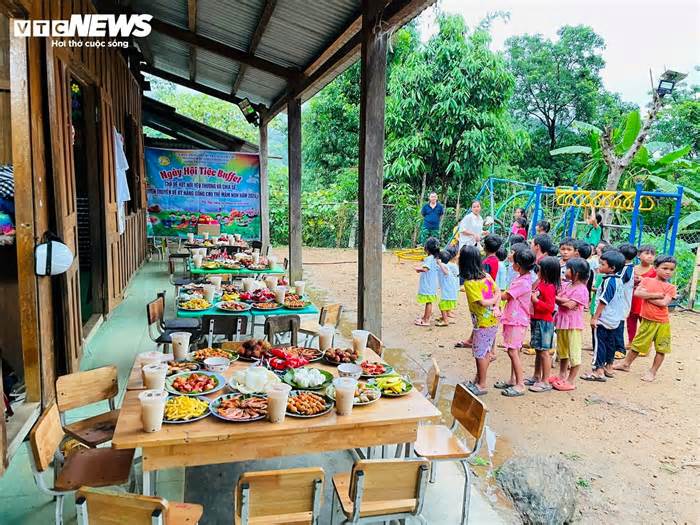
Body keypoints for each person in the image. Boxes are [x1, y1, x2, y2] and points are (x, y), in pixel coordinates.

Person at [613, 255, 677, 382]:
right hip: (647, 320)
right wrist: (656, 295)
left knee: (661, 348)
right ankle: (626, 364)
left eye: (671, 269)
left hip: (662, 323)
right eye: (665, 268)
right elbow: (637, 293)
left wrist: (647, 296)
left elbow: (664, 303)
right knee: (637, 345)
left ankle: (652, 371)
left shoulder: (671, 287)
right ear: (656, 268)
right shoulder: (647, 280)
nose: (668, 272)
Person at [459, 245, 501, 396]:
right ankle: (478, 379)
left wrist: (493, 300)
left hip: (483, 323)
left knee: (479, 353)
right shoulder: (486, 275)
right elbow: (498, 291)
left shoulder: (469, 283)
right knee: (484, 351)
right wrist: (496, 302)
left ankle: (482, 384)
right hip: (492, 320)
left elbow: (482, 302)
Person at [495, 248, 536, 397]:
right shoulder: (523, 278)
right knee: (514, 350)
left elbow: (506, 296)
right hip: (514, 319)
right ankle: (513, 380)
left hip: (517, 320)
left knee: (513, 352)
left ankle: (520, 384)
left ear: (518, 265)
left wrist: (495, 292)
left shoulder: (522, 282)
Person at [582, 250, 626, 382]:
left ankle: (597, 370)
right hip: (614, 319)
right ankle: (609, 366)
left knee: (599, 344)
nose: (599, 266)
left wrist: (595, 317)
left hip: (604, 318)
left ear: (612, 268)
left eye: (602, 264)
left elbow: (603, 300)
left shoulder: (608, 281)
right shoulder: (619, 281)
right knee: (610, 343)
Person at [552, 258, 591, 391]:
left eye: (568, 268)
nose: (565, 270)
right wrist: (562, 300)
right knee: (562, 350)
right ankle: (562, 375)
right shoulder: (567, 285)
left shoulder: (581, 290)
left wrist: (557, 298)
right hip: (563, 322)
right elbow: (563, 301)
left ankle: (570, 380)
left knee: (574, 352)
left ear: (577, 273)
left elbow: (569, 305)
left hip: (573, 325)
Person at [527, 256, 560, 393]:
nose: (537, 270)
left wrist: (535, 301)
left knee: (544, 352)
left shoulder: (550, 287)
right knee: (539, 350)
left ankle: (545, 381)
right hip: (537, 320)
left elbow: (550, 307)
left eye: (540, 268)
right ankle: (536, 376)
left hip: (544, 322)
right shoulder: (541, 283)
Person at [627, 245, 657, 347]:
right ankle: (631, 342)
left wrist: (643, 281)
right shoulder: (633, 269)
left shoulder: (654, 271)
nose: (650, 256)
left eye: (652, 254)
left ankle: (645, 345)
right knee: (630, 321)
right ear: (639, 255)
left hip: (645, 301)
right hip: (632, 299)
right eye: (647, 253)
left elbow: (656, 285)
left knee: (645, 324)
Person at [615, 243, 638, 359]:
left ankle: (620, 349)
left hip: (621, 303)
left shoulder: (625, 269)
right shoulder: (628, 268)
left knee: (618, 325)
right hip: (622, 302)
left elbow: (619, 281)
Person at [414, 237, 441, 327]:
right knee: (428, 302)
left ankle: (426, 320)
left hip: (428, 284)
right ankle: (425, 317)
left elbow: (425, 269)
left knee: (428, 302)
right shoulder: (435, 258)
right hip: (431, 283)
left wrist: (418, 269)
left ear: (427, 248)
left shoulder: (429, 258)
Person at [436, 248, 460, 327]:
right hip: (449, 290)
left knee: (442, 305)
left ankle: (445, 321)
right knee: (445, 304)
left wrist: (439, 264)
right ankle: (444, 317)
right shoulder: (446, 265)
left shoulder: (444, 266)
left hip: (448, 290)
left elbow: (446, 272)